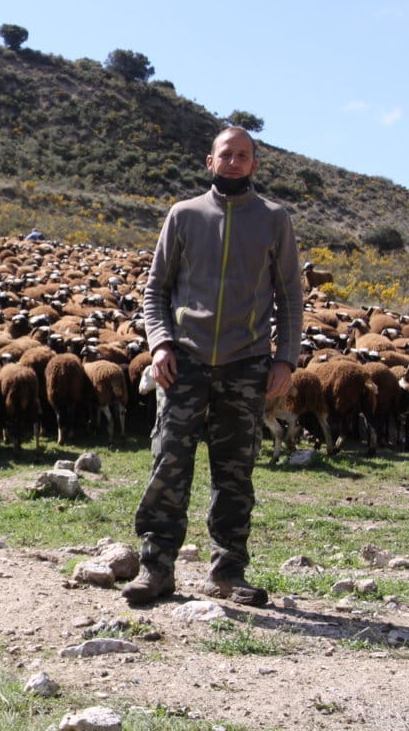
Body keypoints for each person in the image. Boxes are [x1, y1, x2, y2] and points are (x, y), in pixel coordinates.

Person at [121, 126, 303, 607]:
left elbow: (289, 297)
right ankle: (156, 568)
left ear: (254, 165)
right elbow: (155, 290)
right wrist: (160, 344)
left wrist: (285, 358)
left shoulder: (274, 220)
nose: (235, 162)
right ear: (210, 160)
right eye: (227, 154)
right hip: (185, 361)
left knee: (236, 472)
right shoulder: (183, 216)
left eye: (244, 155)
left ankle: (229, 571)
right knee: (168, 465)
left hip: (246, 364)